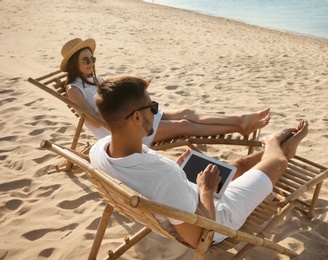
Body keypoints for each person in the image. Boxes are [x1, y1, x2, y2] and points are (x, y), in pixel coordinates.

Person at [89, 75, 309, 247]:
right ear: (137, 117)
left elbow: (152, 181)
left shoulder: (99, 149)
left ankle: (277, 150)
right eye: (152, 107)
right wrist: (206, 189)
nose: (157, 112)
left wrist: (180, 173)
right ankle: (274, 144)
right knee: (278, 163)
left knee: (239, 166)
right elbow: (203, 236)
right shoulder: (165, 177)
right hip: (222, 215)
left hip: (182, 195)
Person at [60, 38, 271, 145]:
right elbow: (97, 121)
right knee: (185, 125)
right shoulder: (74, 89)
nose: (90, 63)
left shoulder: (96, 80)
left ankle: (241, 120)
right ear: (73, 64)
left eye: (92, 59)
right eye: (85, 60)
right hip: (124, 131)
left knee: (188, 111)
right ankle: (237, 128)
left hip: (134, 116)